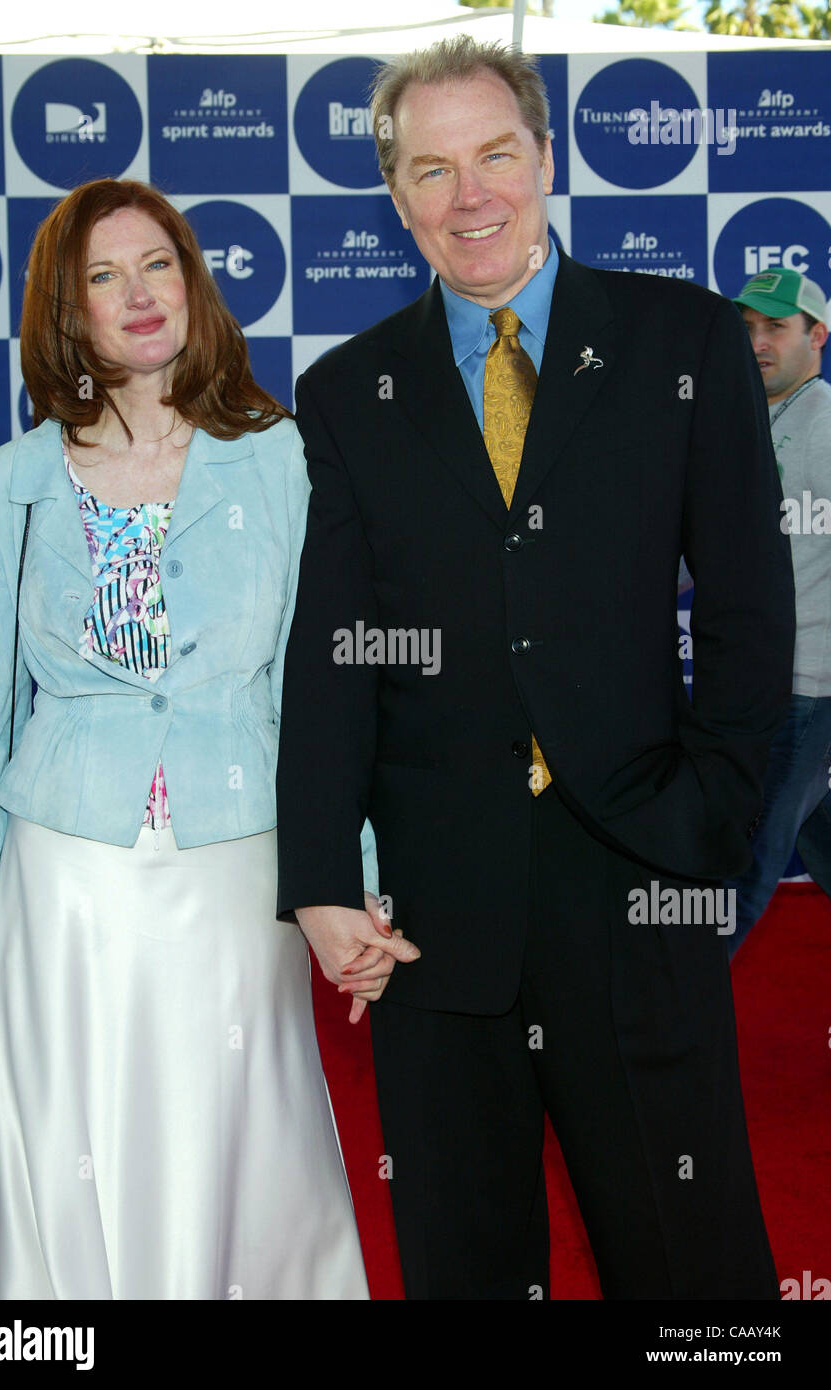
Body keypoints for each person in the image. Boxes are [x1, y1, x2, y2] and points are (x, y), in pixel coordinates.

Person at [275, 37, 795, 1300]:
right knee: (467, 1261)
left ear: (547, 160)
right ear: (396, 200)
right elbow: (333, 652)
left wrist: (712, 814)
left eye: (497, 154)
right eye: (435, 170)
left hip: (640, 869)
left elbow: (746, 602)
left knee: (693, 1262)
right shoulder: (347, 392)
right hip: (434, 910)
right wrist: (322, 878)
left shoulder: (681, 338)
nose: (473, 197)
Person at [0, 177, 395, 1300]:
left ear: (194, 285)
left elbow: (324, 690)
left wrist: (359, 875)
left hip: (237, 857)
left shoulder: (285, 463)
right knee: (79, 1132)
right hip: (65, 876)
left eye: (159, 264)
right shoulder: (1, 486)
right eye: (104, 274)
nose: (138, 293)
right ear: (66, 309)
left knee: (240, 1124)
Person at [722, 270, 831, 956]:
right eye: (748, 328)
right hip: (760, 682)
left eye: (776, 328)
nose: (758, 343)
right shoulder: (742, 421)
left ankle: (663, 1036)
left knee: (743, 863)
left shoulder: (824, 430)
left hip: (803, 689)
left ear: (817, 336)